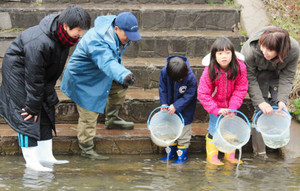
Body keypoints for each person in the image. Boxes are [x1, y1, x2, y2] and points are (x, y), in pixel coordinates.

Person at [0, 6, 91, 171]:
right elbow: (33, 77)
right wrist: (32, 106)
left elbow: (48, 71)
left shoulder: (64, 38)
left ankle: (46, 156)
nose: (81, 34)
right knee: (27, 114)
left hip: (40, 75)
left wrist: (46, 95)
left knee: (46, 107)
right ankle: (32, 161)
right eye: (78, 30)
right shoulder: (40, 41)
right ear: (65, 26)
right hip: (19, 72)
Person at [60, 12, 141, 160]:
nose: (129, 39)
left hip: (100, 72)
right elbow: (107, 62)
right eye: (127, 34)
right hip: (82, 79)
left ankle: (112, 119)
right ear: (116, 28)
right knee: (89, 113)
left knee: (120, 88)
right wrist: (123, 74)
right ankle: (86, 148)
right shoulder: (97, 40)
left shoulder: (116, 35)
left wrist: (122, 76)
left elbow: (114, 58)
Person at [241, 26, 300, 159]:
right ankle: (260, 154)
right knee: (260, 111)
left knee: (279, 108)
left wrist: (282, 100)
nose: (265, 52)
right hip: (257, 76)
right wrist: (260, 102)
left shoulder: (294, 49)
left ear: (281, 50)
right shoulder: (250, 50)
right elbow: (249, 77)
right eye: (263, 47)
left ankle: (276, 142)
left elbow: (288, 76)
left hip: (277, 76)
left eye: (270, 50)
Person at [198, 37, 248, 165]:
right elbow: (203, 93)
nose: (224, 56)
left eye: (227, 53)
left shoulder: (240, 67)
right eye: (220, 53)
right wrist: (216, 110)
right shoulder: (209, 70)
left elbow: (241, 89)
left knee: (230, 130)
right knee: (214, 129)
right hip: (216, 106)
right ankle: (212, 156)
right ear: (214, 55)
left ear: (232, 54)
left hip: (232, 106)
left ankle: (229, 155)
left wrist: (233, 107)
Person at [158, 55, 197, 164]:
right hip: (169, 110)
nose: (180, 80)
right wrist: (164, 103)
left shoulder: (191, 78)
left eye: (181, 79)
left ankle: (182, 156)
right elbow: (163, 88)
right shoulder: (164, 72)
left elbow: (189, 95)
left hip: (185, 110)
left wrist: (176, 106)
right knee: (170, 131)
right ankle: (171, 153)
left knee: (184, 133)